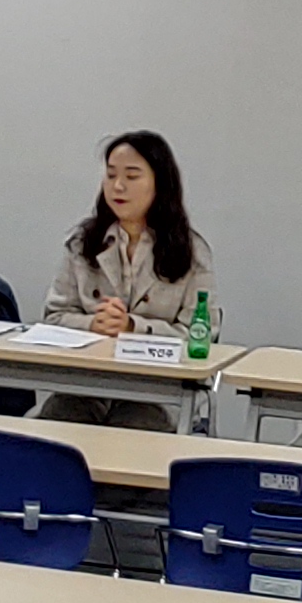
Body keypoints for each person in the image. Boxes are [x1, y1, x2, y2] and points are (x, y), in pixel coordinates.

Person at [37, 129, 215, 429]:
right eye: (110, 175)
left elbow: (199, 335)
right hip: (86, 383)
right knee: (57, 423)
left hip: (157, 390)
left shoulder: (190, 252)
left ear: (160, 183)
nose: (118, 186)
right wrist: (93, 325)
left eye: (132, 177)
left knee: (134, 426)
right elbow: (53, 317)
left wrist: (133, 327)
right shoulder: (83, 243)